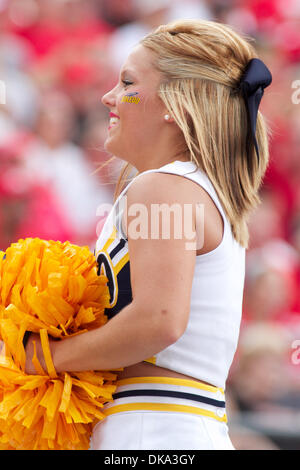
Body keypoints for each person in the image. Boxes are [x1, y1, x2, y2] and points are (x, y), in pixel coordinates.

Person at [25, 19, 272, 450]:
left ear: (172, 105)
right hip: (169, 425)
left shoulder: (164, 186)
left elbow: (159, 321)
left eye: (127, 83)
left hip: (154, 430)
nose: (109, 96)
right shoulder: (191, 186)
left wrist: (45, 359)